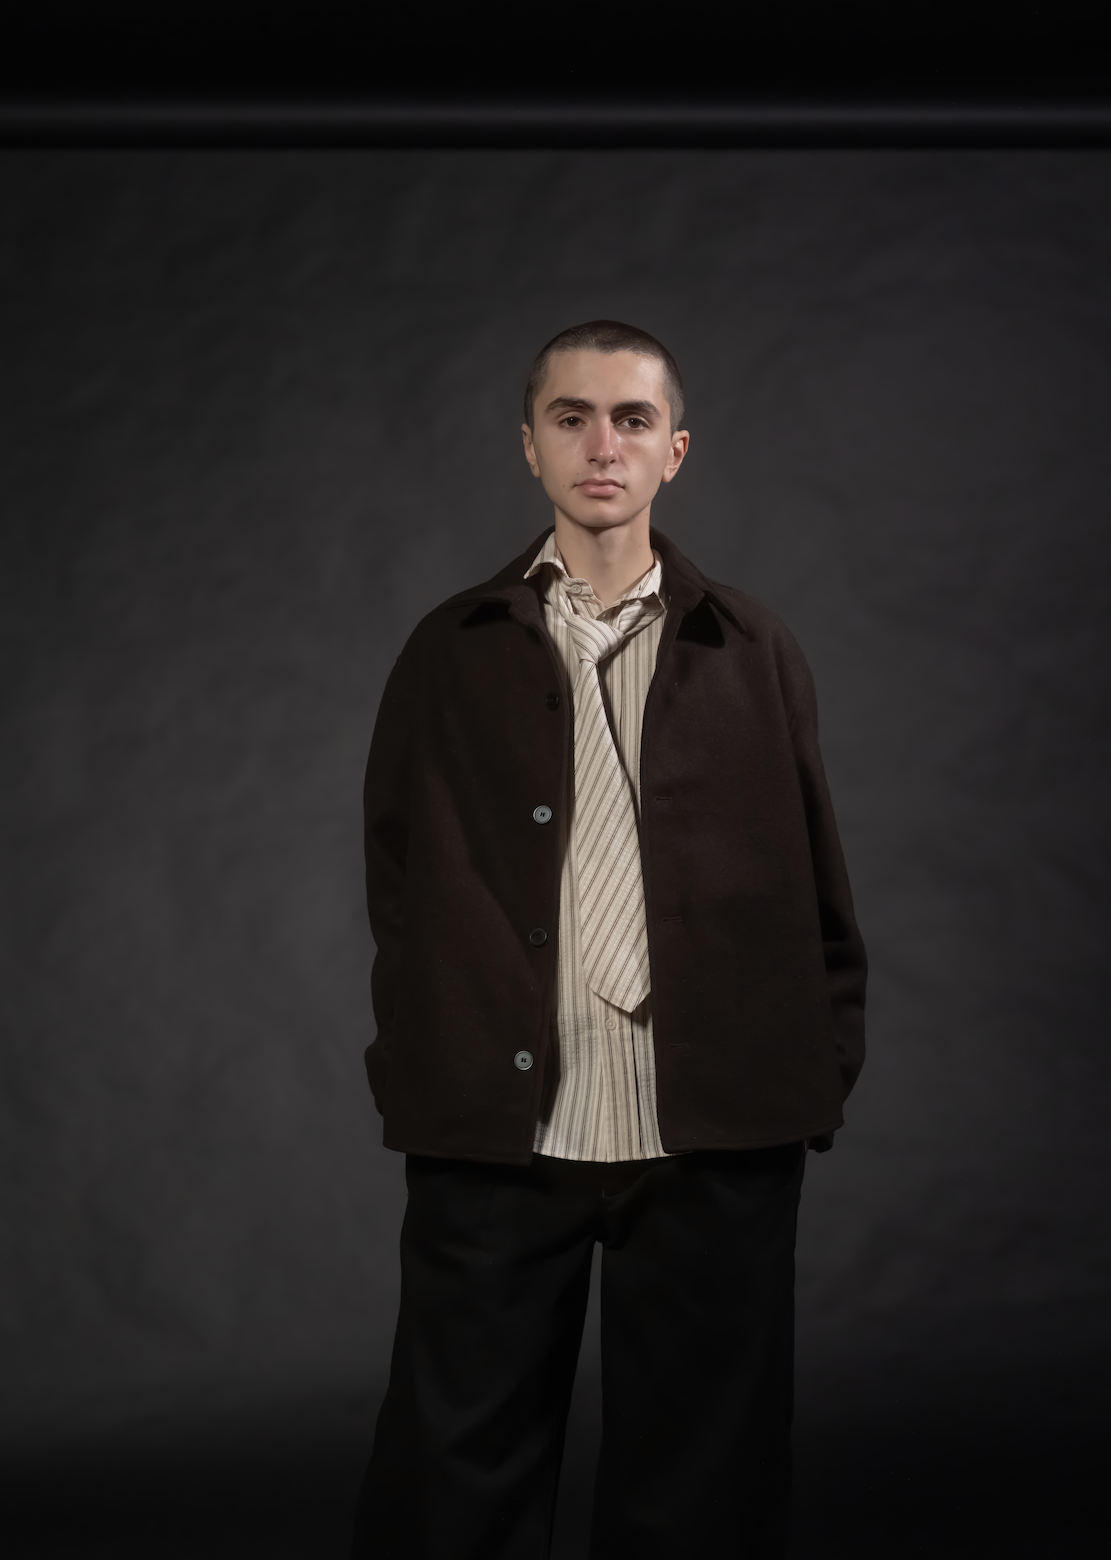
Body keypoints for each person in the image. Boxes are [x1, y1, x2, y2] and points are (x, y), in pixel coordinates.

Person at [352, 320, 867, 1560]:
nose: (602, 443)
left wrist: (815, 1065)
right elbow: (399, 874)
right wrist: (426, 1054)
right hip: (500, 1127)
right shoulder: (450, 646)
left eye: (631, 419)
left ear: (674, 451)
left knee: (702, 1481)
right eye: (571, 417)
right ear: (527, 446)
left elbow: (815, 879)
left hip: (713, 1130)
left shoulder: (750, 647)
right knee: (456, 1468)